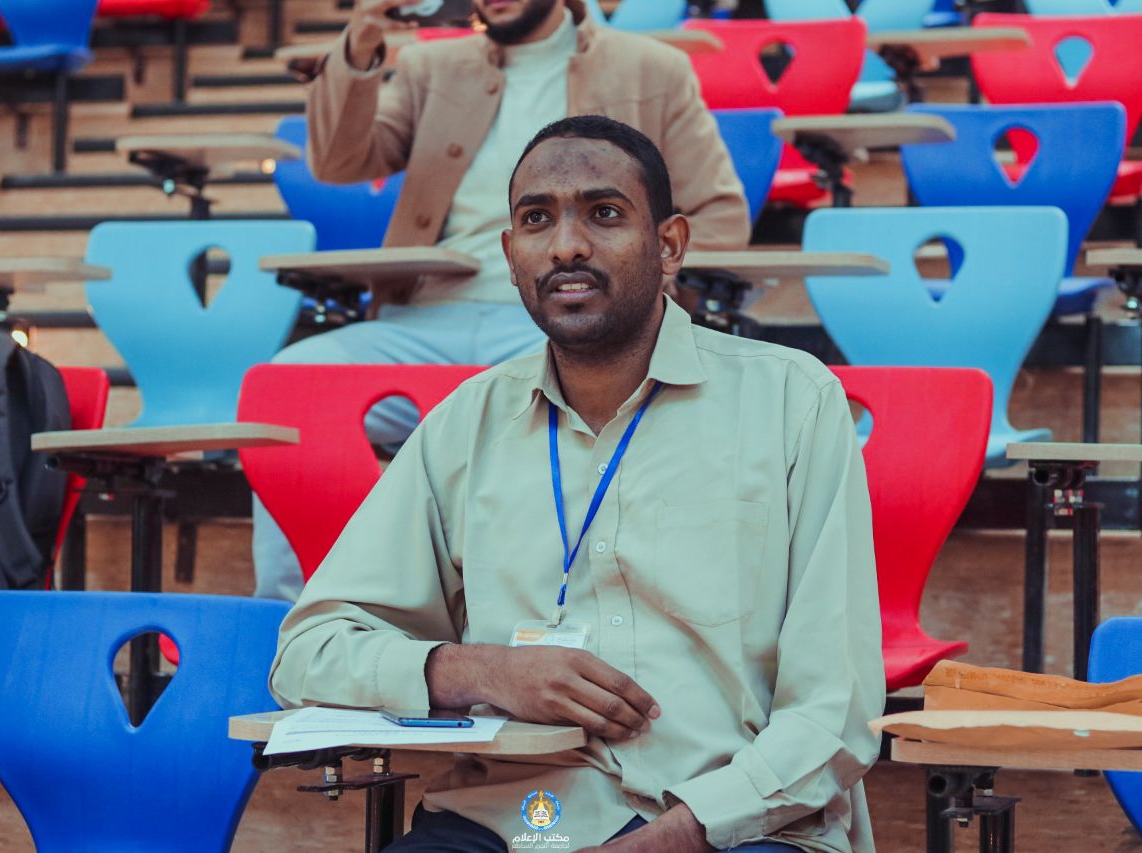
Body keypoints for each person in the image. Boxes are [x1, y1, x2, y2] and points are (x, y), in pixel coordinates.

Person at [269, 115, 884, 853]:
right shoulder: (467, 423)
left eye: (604, 213)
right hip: (506, 821)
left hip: (733, 826)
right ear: (510, 255)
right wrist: (480, 670)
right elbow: (308, 651)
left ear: (670, 246)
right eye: (537, 219)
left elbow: (835, 708)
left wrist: (678, 835)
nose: (566, 246)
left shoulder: (792, 402)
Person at [254, 0, 749, 600]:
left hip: (566, 329)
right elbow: (337, 161)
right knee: (292, 386)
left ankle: (560, 612)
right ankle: (292, 621)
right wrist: (361, 41)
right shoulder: (431, 67)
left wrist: (626, 282)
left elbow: (721, 217)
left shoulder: (651, 68)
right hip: (427, 314)